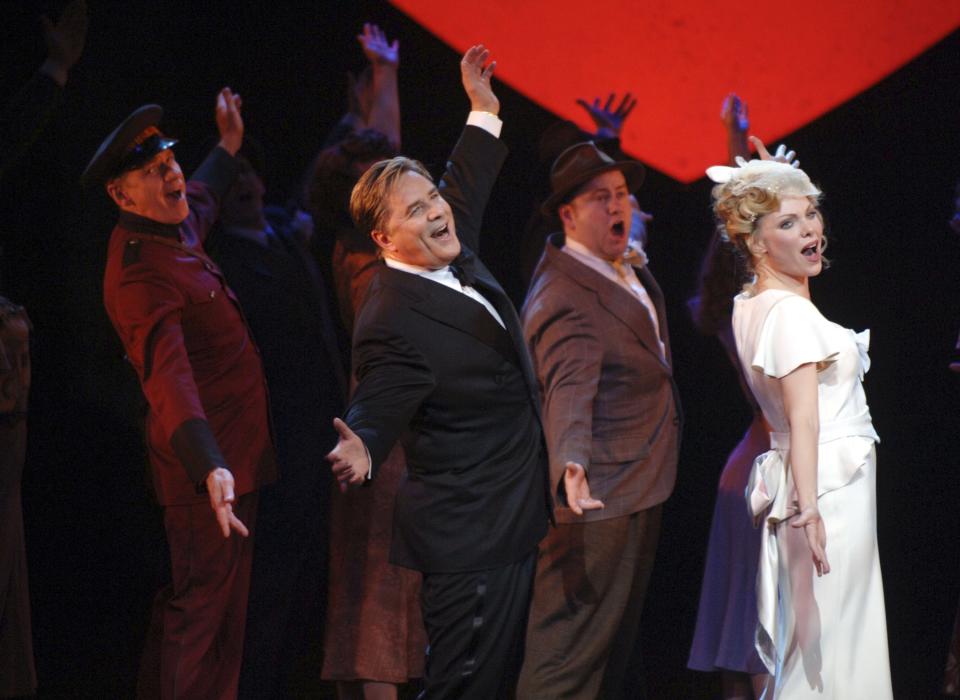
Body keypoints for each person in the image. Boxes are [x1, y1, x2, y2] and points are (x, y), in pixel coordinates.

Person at [326, 45, 552, 699]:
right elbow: (380, 391)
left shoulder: (447, 242)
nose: (435, 212)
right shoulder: (390, 312)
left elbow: (465, 182)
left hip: (507, 512)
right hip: (469, 536)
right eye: (415, 210)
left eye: (431, 199)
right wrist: (361, 444)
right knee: (461, 687)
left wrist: (482, 110)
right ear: (384, 240)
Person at [86, 88, 276, 699]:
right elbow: (168, 378)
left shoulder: (174, 220)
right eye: (153, 172)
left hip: (236, 465)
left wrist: (225, 146)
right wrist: (210, 465)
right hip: (205, 479)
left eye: (169, 161)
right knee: (197, 622)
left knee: (225, 626)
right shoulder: (139, 272)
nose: (171, 175)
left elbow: (202, 195)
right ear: (121, 195)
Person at [708, 143, 893, 698]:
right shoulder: (787, 314)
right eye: (789, 222)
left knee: (825, 638)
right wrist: (810, 509)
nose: (811, 229)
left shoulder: (754, 300)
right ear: (755, 241)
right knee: (832, 647)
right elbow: (803, 418)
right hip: (826, 490)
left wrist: (776, 173)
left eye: (811, 212)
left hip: (821, 482)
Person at [516, 140, 680, 699]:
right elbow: (568, 385)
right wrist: (572, 462)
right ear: (568, 214)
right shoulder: (565, 294)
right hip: (596, 498)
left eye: (623, 196)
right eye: (601, 198)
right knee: (566, 659)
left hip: (634, 482)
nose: (618, 208)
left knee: (608, 654)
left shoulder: (611, 266)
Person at [302, 24, 428, 700]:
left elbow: (387, 159)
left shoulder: (362, 245)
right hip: (384, 439)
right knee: (379, 601)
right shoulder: (369, 263)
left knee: (375, 592)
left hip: (379, 434)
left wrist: (385, 78)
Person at [205, 141, 346, 699]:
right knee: (273, 578)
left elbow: (326, 177)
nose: (244, 184)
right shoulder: (225, 261)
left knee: (311, 572)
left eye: (249, 172)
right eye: (230, 177)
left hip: (321, 429)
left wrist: (377, 85)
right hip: (278, 438)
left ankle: (285, 679)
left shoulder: (287, 232)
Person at [687, 96, 775, 700]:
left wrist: (735, 146)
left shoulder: (729, 310)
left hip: (747, 468)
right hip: (766, 473)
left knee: (744, 635)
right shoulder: (759, 314)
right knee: (762, 635)